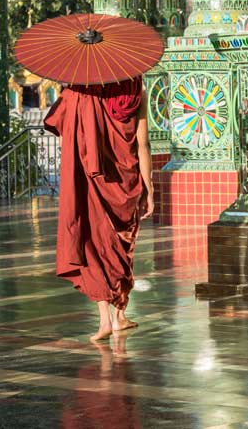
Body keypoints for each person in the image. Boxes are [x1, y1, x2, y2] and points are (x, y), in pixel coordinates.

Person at [44, 75, 154, 342]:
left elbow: (66, 139)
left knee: (94, 247)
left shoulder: (76, 93)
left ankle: (105, 320)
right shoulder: (135, 89)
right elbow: (143, 144)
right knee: (120, 247)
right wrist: (149, 187)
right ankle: (119, 317)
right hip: (125, 184)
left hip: (91, 183)